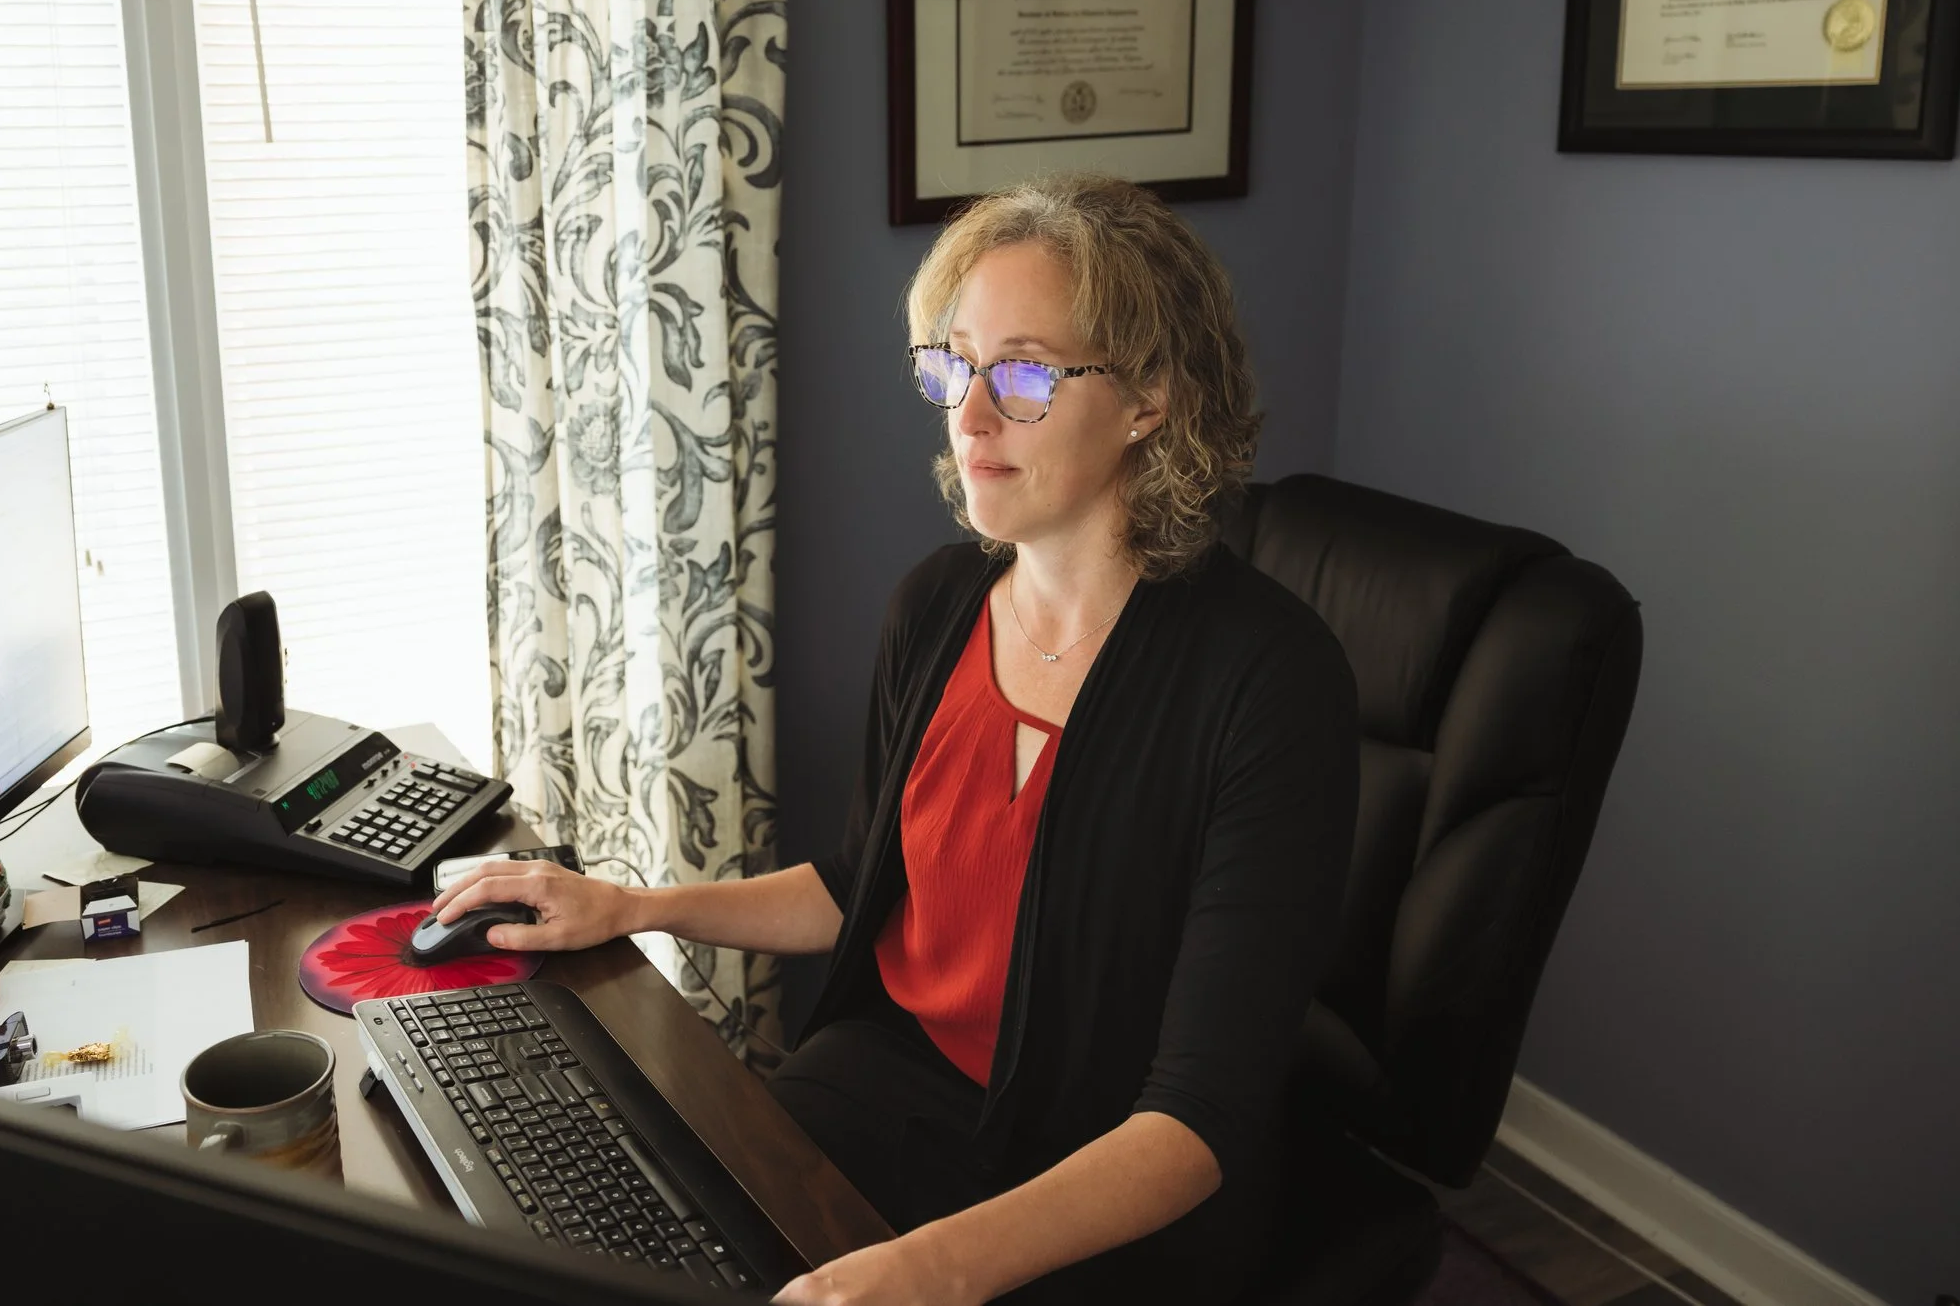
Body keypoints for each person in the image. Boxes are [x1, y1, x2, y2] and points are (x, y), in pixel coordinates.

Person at [431, 173, 1358, 1304]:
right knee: (610, 1229)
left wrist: (930, 1266)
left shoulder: (1267, 679)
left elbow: (1196, 1122)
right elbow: (860, 881)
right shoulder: (936, 607)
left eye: (1020, 373)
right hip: (891, 1085)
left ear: (1149, 398)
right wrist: (636, 905)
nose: (967, 416)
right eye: (951, 364)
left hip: (1097, 1176)